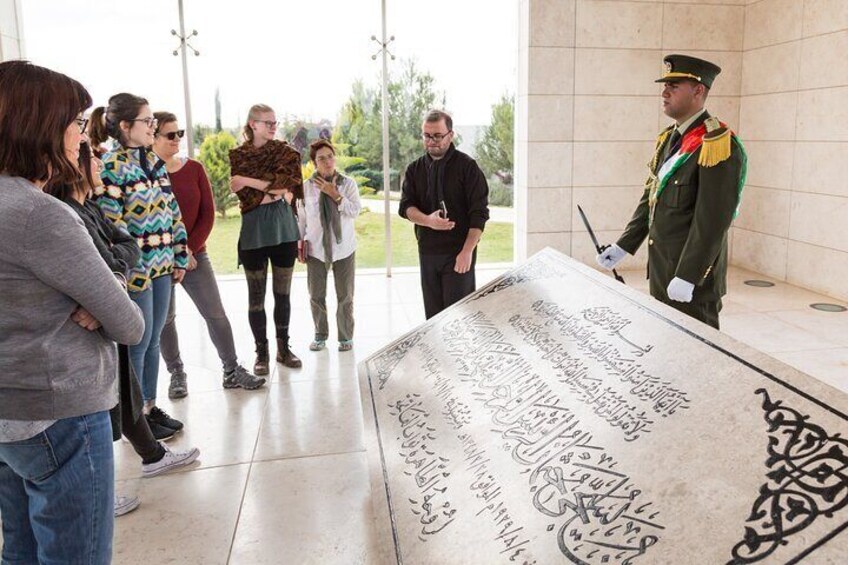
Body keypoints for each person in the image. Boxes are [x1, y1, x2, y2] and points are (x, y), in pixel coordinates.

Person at [0, 60, 144, 563]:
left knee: (19, 550)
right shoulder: (40, 214)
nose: (83, 138)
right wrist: (101, 302)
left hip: (9, 410)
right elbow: (129, 323)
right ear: (39, 124)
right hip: (60, 412)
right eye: (78, 123)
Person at [49, 141, 200, 516]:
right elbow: (95, 264)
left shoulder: (89, 207)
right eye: (92, 156)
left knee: (125, 387)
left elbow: (124, 246)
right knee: (104, 406)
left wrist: (112, 274)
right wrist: (111, 277)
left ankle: (151, 456)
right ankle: (98, 491)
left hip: (105, 311)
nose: (101, 162)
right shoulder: (64, 211)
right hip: (82, 332)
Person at [597, 54, 747, 330]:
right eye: (665, 86)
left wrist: (689, 275)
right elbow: (651, 198)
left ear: (698, 91)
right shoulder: (670, 139)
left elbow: (713, 221)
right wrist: (624, 246)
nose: (664, 93)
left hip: (692, 283)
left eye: (674, 86)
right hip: (662, 273)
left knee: (697, 360)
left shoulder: (717, 144)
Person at [89, 93, 189, 438]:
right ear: (125, 126)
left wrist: (180, 252)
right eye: (147, 122)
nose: (153, 127)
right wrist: (135, 270)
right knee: (138, 343)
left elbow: (171, 210)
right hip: (138, 272)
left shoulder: (153, 162)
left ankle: (148, 407)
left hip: (164, 266)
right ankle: (133, 419)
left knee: (155, 339)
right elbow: (113, 227)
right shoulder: (112, 167)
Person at [152, 112, 266, 397]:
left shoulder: (195, 169)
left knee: (215, 313)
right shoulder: (147, 174)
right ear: (152, 137)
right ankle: (176, 374)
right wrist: (175, 253)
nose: (177, 139)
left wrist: (188, 249)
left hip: (195, 255)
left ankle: (231, 370)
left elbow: (208, 214)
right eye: (170, 135)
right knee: (166, 319)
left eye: (180, 133)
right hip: (161, 259)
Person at [229, 104, 304, 375]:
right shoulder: (238, 155)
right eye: (267, 122)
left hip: (284, 232)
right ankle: (262, 353)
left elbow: (289, 183)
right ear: (252, 124)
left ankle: (284, 349)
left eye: (275, 122)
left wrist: (248, 180)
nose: (273, 126)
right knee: (256, 299)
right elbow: (248, 199)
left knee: (282, 295)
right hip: (253, 233)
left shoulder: (287, 152)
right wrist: (274, 190)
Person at [399, 109, 490, 319]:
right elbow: (406, 207)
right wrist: (428, 221)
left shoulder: (468, 167)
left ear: (451, 134)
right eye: (427, 135)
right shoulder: (414, 169)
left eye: (438, 136)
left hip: (459, 254)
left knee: (458, 319)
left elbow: (479, 214)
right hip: (428, 253)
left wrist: (467, 251)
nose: (432, 141)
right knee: (433, 319)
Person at [297, 140, 362, 352]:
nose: (327, 162)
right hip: (316, 249)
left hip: (344, 249)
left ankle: (345, 337)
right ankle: (320, 335)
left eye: (330, 156)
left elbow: (354, 211)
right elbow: (302, 219)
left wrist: (335, 195)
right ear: (314, 163)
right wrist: (300, 243)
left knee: (345, 296)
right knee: (316, 295)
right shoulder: (305, 188)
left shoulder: (348, 184)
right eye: (321, 158)